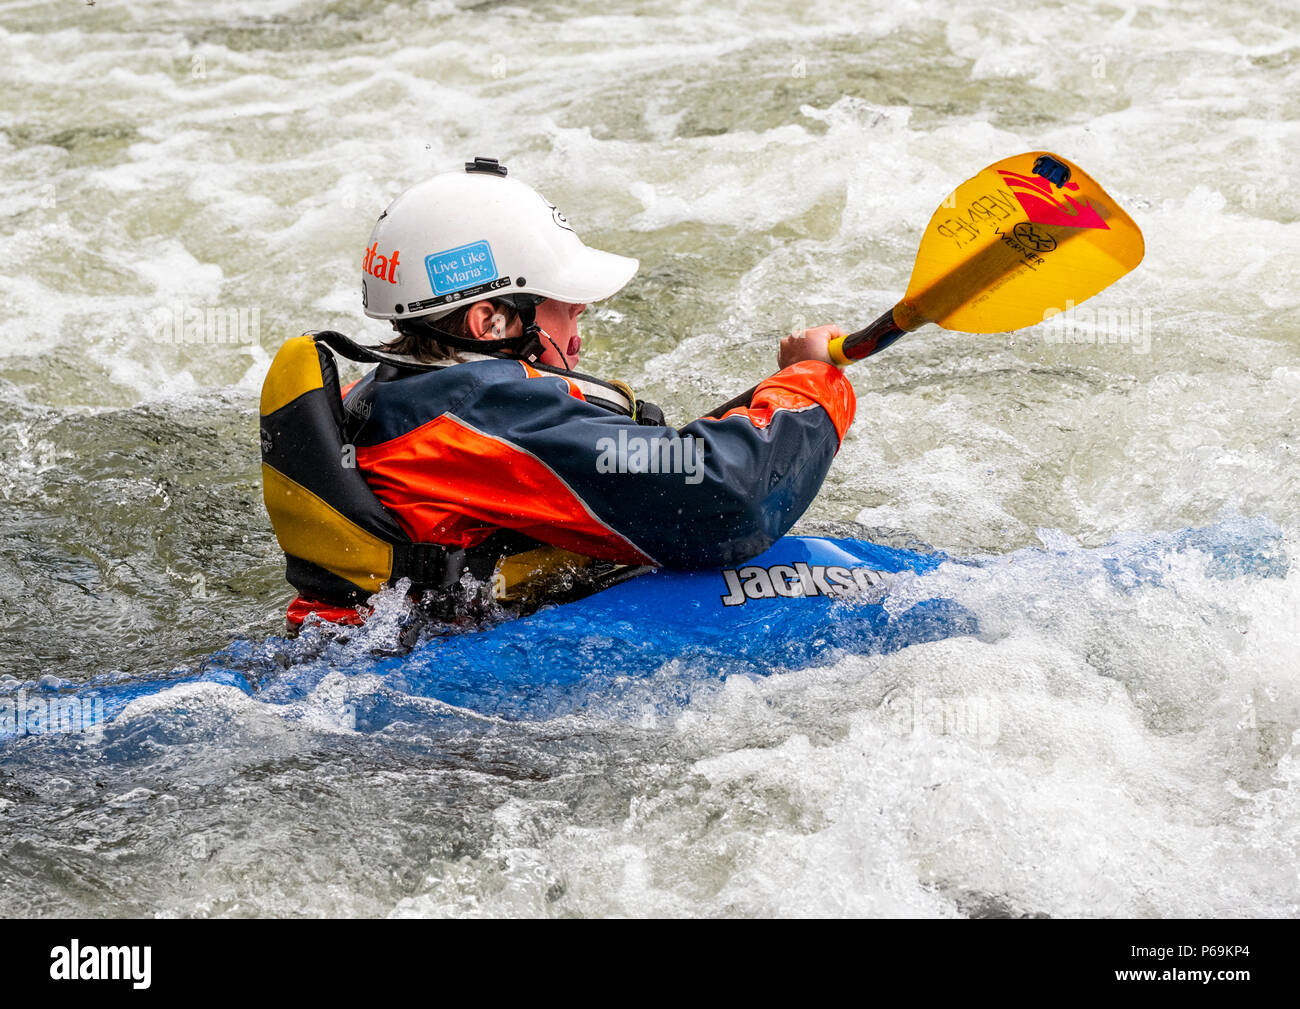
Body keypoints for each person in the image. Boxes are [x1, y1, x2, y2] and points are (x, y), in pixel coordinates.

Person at [260, 157, 855, 629]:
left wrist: (758, 402)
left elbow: (638, 464)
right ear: (491, 322)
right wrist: (811, 385)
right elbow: (726, 501)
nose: (576, 339)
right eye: (566, 312)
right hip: (421, 684)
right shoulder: (487, 415)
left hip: (356, 650)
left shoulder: (405, 391)